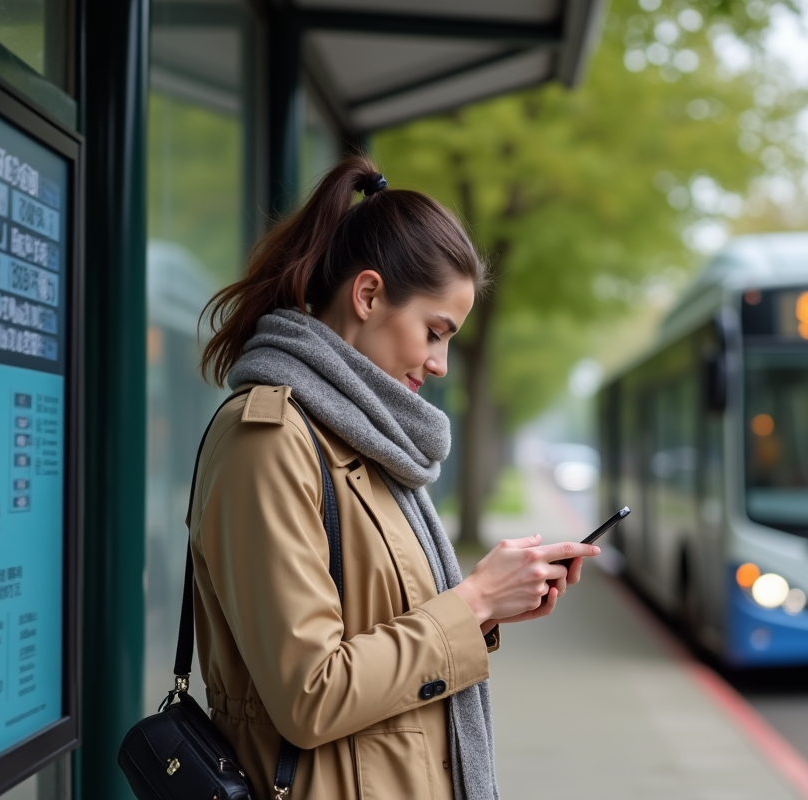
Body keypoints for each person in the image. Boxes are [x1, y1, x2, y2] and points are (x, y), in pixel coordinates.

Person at [191, 154, 599, 799]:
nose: (440, 364)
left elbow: (378, 628)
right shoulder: (268, 440)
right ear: (368, 295)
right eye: (434, 332)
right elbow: (310, 694)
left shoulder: (362, 441)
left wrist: (492, 604)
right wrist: (473, 602)